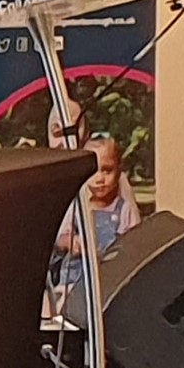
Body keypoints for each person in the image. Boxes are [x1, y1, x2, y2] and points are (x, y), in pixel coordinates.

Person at [45, 135, 137, 328]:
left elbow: (133, 244)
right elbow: (61, 237)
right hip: (75, 280)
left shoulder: (123, 209)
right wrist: (73, 242)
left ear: (118, 170)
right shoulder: (78, 206)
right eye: (94, 172)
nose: (100, 179)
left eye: (107, 170)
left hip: (106, 280)